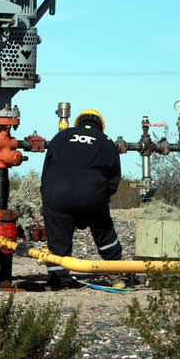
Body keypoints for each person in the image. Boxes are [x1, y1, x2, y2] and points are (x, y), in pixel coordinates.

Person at [40, 109, 124, 289]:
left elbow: (46, 170)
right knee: (104, 232)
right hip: (91, 193)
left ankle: (58, 280)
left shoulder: (61, 137)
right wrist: (102, 198)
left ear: (77, 123)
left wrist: (48, 195)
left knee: (58, 239)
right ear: (100, 126)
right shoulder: (106, 141)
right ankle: (116, 275)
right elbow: (114, 178)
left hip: (56, 192)